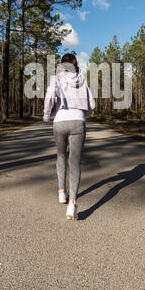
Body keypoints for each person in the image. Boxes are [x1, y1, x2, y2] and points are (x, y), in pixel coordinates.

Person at [43, 53, 95, 220]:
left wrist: (46, 115)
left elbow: (50, 96)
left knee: (61, 155)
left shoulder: (56, 78)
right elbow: (92, 103)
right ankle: (72, 203)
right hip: (78, 121)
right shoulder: (82, 79)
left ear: (62, 65)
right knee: (74, 161)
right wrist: (84, 112)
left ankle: (61, 192)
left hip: (60, 121)